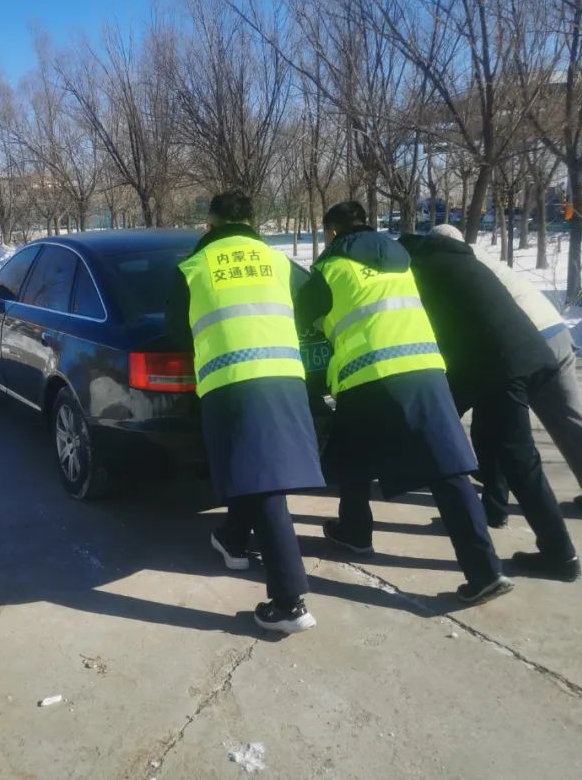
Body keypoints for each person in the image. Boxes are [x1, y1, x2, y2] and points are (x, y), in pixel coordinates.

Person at [295, 202, 513, 604]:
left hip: (368, 373)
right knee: (444, 468)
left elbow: (301, 315)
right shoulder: (402, 260)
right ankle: (482, 569)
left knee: (354, 460)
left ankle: (360, 534)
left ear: (331, 232)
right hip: (425, 368)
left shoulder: (330, 267)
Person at [166, 192, 326, 634]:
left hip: (230, 380)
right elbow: (320, 300)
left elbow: (175, 328)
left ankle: (289, 603)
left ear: (211, 223)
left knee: (266, 484)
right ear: (251, 221)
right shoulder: (277, 261)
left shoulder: (195, 267)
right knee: (253, 472)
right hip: (285, 377)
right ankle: (233, 540)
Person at [397, 225, 581, 581]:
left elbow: (433, 333)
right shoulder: (453, 259)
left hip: (501, 366)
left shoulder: (421, 272)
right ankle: (494, 511)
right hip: (520, 356)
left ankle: (560, 554)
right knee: (487, 436)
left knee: (520, 461)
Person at [461, 235, 582, 521]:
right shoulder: (487, 260)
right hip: (557, 333)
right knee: (572, 416)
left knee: (498, 424)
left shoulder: (457, 269)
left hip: (524, 345)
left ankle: (495, 501)